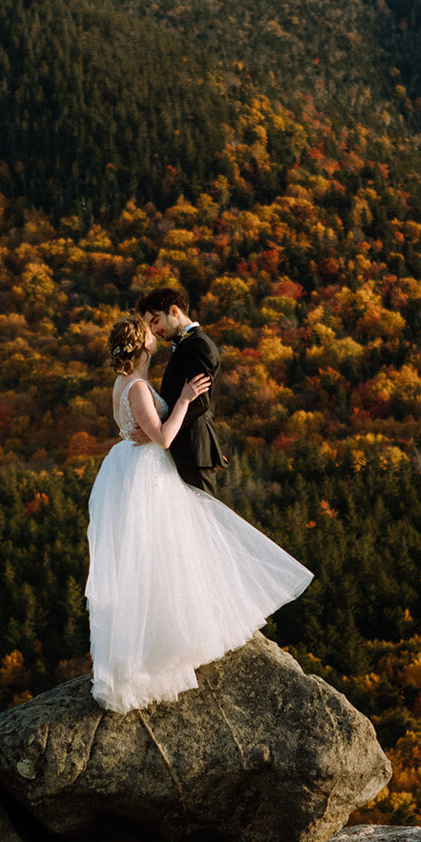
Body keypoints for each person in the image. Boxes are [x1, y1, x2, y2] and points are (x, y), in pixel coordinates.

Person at [86, 313, 313, 713]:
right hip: (147, 475)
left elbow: (140, 429)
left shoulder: (126, 384)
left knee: (160, 559)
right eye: (149, 335)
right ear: (141, 345)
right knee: (167, 556)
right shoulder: (136, 385)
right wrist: (186, 399)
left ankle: (160, 642)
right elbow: (163, 437)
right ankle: (163, 648)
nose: (155, 337)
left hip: (130, 469)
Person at [135, 284, 225, 493]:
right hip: (183, 451)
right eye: (150, 326)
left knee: (203, 521)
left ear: (174, 311)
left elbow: (200, 402)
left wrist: (158, 430)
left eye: (156, 321)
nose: (155, 330)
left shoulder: (198, 345)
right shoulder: (186, 346)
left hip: (195, 452)